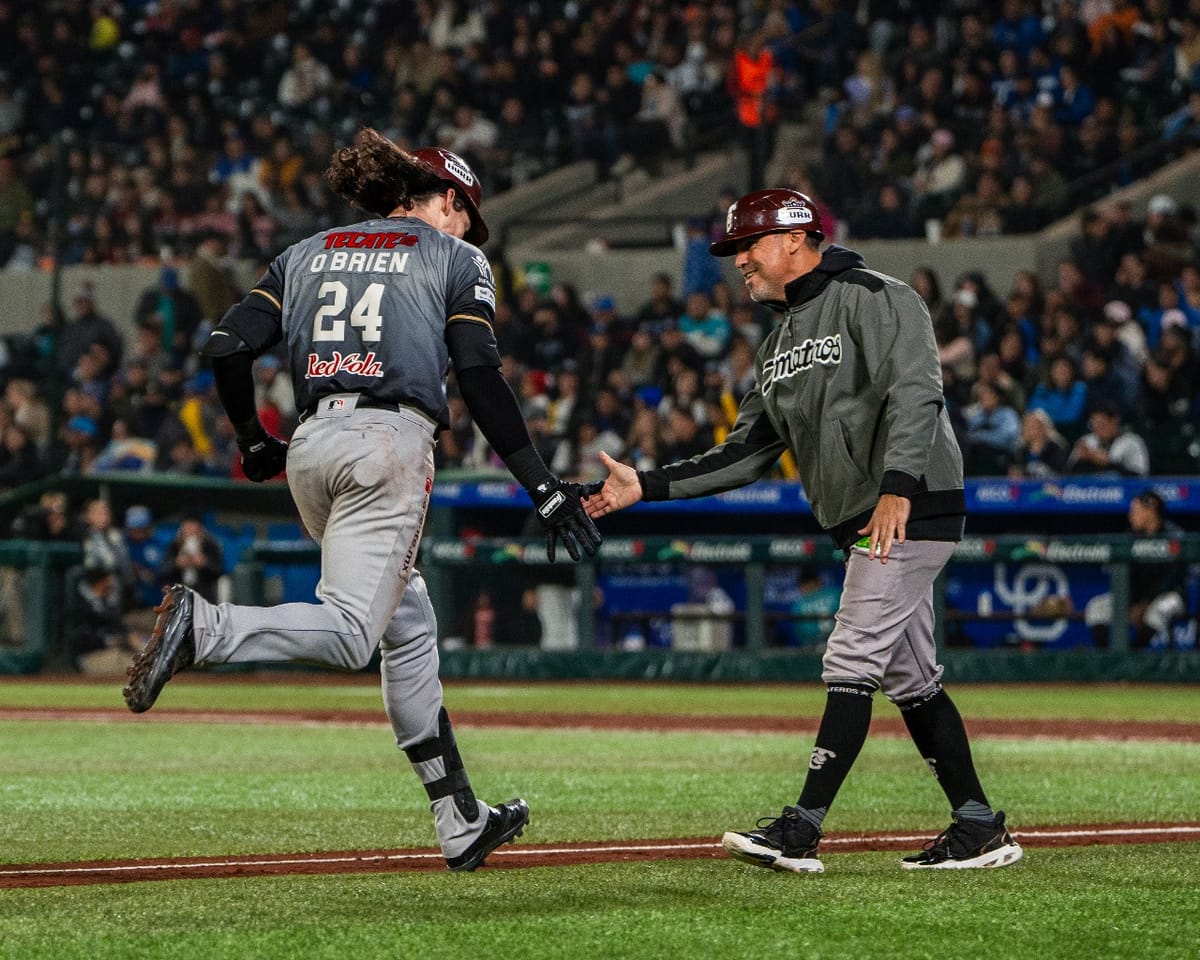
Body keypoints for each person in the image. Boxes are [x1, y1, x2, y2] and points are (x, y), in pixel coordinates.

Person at [121, 131, 600, 873]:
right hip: (388, 445)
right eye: (467, 213)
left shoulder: (308, 250)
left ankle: (459, 818)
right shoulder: (455, 256)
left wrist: (253, 439)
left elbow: (225, 345)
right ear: (447, 200)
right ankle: (207, 628)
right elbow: (477, 371)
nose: (469, 229)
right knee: (351, 633)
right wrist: (541, 487)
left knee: (405, 624)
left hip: (310, 447)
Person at [584, 188, 1021, 873]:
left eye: (747, 246)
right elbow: (745, 455)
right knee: (912, 680)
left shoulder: (877, 294)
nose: (738, 263)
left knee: (850, 662)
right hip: (866, 514)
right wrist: (650, 485)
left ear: (794, 238)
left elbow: (918, 389)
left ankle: (802, 828)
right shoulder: (777, 341)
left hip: (909, 504)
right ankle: (978, 824)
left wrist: (897, 487)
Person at [1084, 491, 1189, 649]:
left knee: (1158, 611)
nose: (1131, 515)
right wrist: (1132, 602)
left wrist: (1145, 603)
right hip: (1136, 599)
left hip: (1170, 596)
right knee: (1097, 607)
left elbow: (1171, 580)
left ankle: (1134, 656)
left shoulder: (1174, 536)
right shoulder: (1130, 537)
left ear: (1151, 509)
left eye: (1136, 510)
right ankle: (1107, 661)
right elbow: (1126, 577)